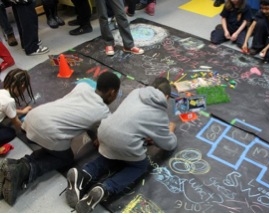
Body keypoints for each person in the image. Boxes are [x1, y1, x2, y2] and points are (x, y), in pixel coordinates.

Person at [0, 72, 120, 206]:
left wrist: (94, 136)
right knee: (66, 157)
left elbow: (86, 117)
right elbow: (103, 133)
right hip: (49, 132)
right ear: (112, 93)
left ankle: (16, 166)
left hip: (31, 119)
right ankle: (26, 169)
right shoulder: (104, 113)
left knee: (54, 147)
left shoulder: (83, 87)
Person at [65, 77, 177, 213]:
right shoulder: (160, 114)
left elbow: (131, 119)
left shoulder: (136, 92)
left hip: (105, 132)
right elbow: (169, 144)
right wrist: (169, 130)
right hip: (125, 143)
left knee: (111, 155)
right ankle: (106, 188)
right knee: (139, 166)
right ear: (166, 96)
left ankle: (84, 174)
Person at [0, 69, 33, 146]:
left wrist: (21, 112)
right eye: (25, 88)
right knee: (11, 133)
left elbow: (4, 107)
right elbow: (17, 124)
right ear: (22, 86)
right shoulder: (9, 101)